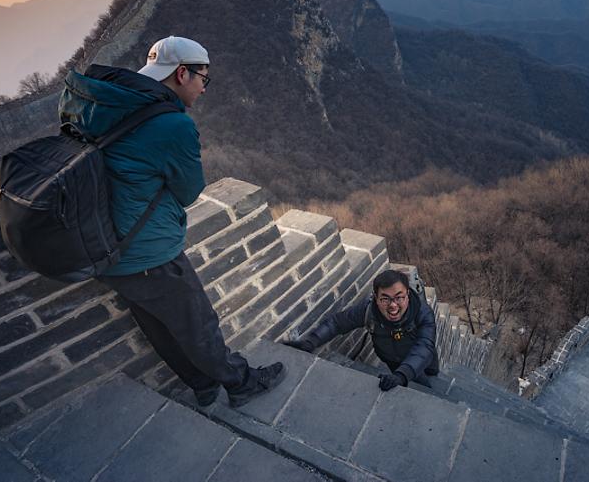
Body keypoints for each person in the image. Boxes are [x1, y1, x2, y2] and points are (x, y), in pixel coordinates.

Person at [59, 36, 284, 408]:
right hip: (149, 251)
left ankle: (202, 385)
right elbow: (188, 190)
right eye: (203, 79)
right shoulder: (172, 125)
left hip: (104, 247)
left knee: (158, 327)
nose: (203, 89)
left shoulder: (106, 102)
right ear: (182, 73)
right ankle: (240, 382)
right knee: (198, 324)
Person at [287, 270, 439, 390]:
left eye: (399, 298)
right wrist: (311, 342)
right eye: (385, 299)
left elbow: (425, 346)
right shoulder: (369, 311)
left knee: (427, 384)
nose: (393, 305)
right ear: (376, 298)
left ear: (408, 295)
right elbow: (337, 323)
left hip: (423, 359)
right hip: (391, 360)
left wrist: (403, 375)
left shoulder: (422, 313)